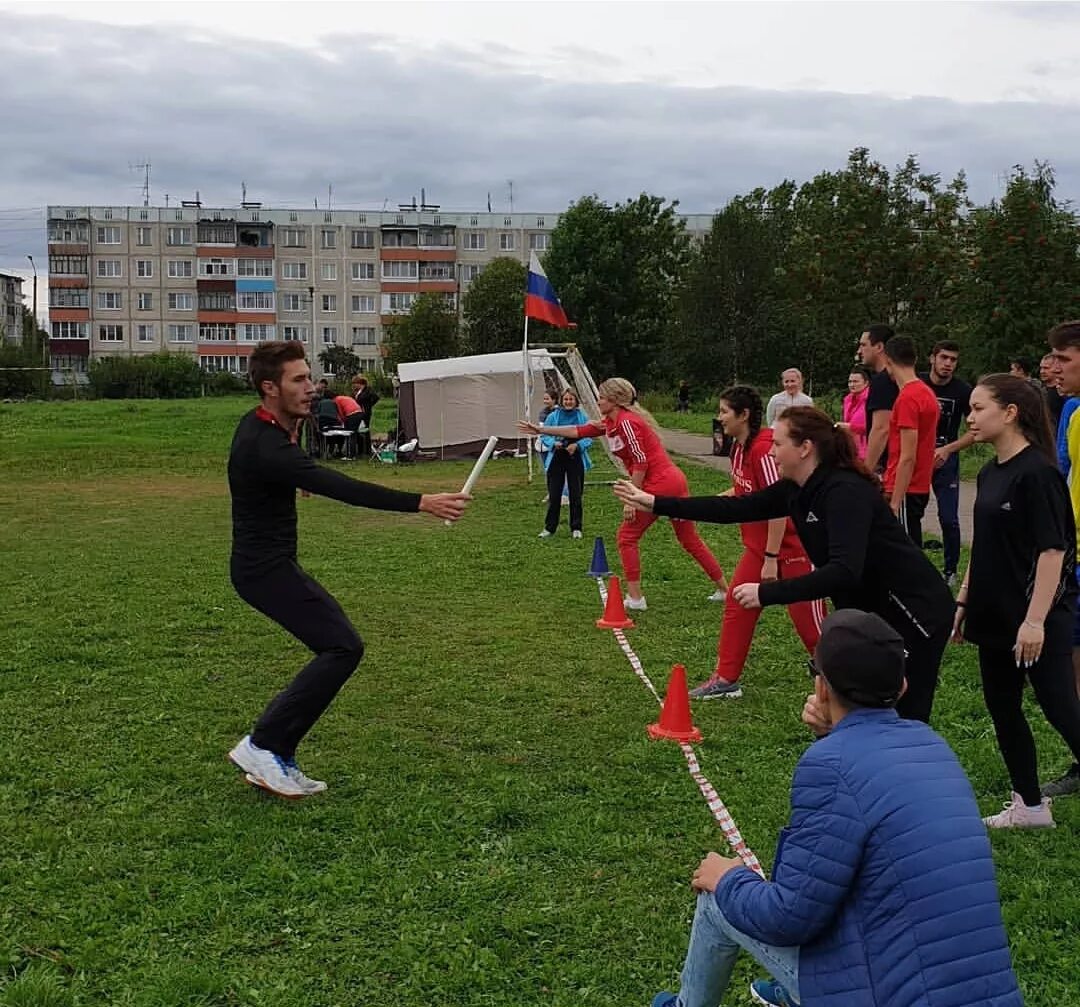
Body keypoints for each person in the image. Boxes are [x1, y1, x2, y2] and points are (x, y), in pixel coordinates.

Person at [651, 609, 1023, 1007]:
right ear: (901, 687)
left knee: (716, 898)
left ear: (822, 687)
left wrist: (728, 879)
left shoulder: (830, 766)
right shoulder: (932, 745)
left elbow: (789, 916)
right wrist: (833, 735)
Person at [226, 341, 470, 799]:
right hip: (264, 571)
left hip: (267, 566)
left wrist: (289, 481)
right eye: (298, 380)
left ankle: (274, 754)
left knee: (339, 646)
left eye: (309, 376)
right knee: (341, 646)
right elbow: (339, 485)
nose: (311, 387)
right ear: (269, 388)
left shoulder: (265, 428)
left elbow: (274, 469)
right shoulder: (266, 444)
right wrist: (422, 502)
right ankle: (263, 745)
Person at [615, 407, 954, 722]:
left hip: (914, 610)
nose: (772, 451)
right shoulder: (797, 488)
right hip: (871, 612)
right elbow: (738, 508)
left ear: (805, 448)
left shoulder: (843, 491)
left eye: (778, 443)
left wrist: (767, 593)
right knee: (862, 712)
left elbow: (843, 571)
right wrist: (655, 502)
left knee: (903, 715)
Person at [952, 374, 1080, 828]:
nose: (970, 417)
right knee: (1003, 710)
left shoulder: (1039, 473)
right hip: (993, 616)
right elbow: (983, 546)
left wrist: (1036, 621)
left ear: (1010, 413)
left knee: (1062, 709)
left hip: (1035, 619)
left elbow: (1053, 550)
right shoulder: (989, 472)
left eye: (979, 407)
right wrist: (963, 602)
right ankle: (1029, 805)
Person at [520, 377, 728, 611]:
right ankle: (724, 589)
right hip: (670, 482)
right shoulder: (610, 422)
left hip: (661, 483)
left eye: (601, 397)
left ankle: (636, 598)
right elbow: (578, 430)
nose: (597, 401)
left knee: (627, 537)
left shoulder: (627, 422)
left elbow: (641, 462)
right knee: (688, 539)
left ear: (615, 400)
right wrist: (541, 429)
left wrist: (633, 497)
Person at [689, 386, 825, 700]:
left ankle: (843, 681)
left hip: (791, 550)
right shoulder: (739, 448)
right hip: (758, 549)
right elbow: (745, 494)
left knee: (809, 625)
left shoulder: (765, 448)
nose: (719, 417)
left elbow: (779, 506)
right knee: (738, 604)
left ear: (744, 415)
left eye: (724, 411)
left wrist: (770, 556)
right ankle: (726, 679)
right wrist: (702, 506)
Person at [1043, 318, 1080, 797]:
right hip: (1074, 559)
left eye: (1064, 359)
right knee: (1070, 660)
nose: (1053, 367)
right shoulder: (1071, 409)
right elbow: (1062, 476)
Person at [920, 340, 973, 587]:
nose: (948, 364)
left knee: (949, 518)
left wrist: (948, 449)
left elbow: (976, 430)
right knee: (910, 514)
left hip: (946, 458)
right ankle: (911, 567)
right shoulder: (916, 383)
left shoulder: (962, 391)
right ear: (932, 358)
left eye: (953, 360)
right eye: (944, 358)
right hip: (916, 457)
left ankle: (950, 570)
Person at [882, 335, 940, 548]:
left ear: (888, 361)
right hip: (917, 485)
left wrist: (896, 501)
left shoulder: (908, 398)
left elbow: (908, 455)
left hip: (907, 487)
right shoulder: (926, 392)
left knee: (905, 551)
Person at [538, 387, 593, 540]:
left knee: (576, 494)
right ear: (561, 401)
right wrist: (553, 443)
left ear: (576, 401)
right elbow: (545, 435)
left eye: (571, 399)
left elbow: (589, 437)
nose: (568, 402)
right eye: (566, 399)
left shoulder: (581, 417)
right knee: (554, 495)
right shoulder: (553, 417)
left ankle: (576, 527)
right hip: (557, 457)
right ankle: (549, 528)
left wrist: (578, 445)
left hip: (575, 457)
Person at [857, 324, 897, 473]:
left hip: (888, 466)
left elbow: (881, 429)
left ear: (879, 347)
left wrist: (867, 470)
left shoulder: (883, 381)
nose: (859, 351)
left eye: (863, 345)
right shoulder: (895, 379)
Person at [838, 366, 869, 458]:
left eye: (855, 381)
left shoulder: (870, 400)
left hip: (867, 449)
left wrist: (850, 427)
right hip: (850, 448)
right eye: (850, 382)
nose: (852, 385)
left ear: (866, 383)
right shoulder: (847, 400)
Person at [351, 375, 380, 458]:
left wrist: (369, 405)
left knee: (365, 430)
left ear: (360, 383)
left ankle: (366, 450)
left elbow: (375, 397)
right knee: (359, 431)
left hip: (365, 413)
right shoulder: (357, 392)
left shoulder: (367, 391)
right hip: (358, 413)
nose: (353, 386)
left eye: (355, 383)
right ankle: (361, 449)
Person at [1040, 351, 1066, 432]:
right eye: (1041, 368)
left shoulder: (1064, 392)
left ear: (1057, 368)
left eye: (1046, 368)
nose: (1042, 371)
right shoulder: (1040, 391)